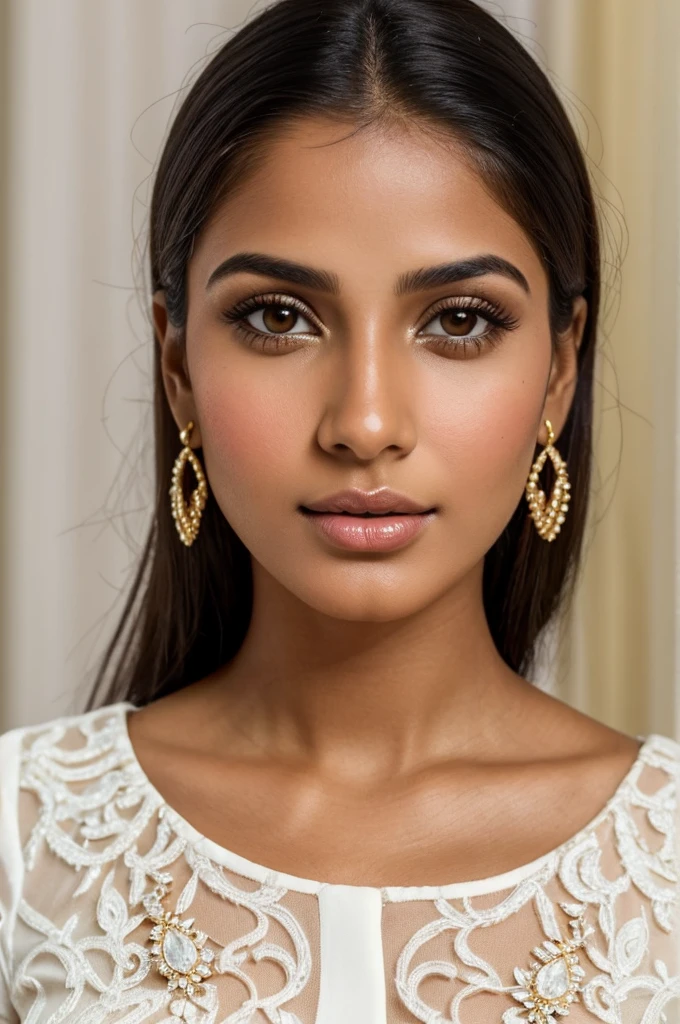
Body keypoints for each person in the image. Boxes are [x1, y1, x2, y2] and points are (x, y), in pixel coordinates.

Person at [0, 0, 678, 1021]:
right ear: (176, 361)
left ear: (558, 367)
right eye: (278, 318)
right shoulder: (19, 844)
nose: (364, 422)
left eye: (457, 321)